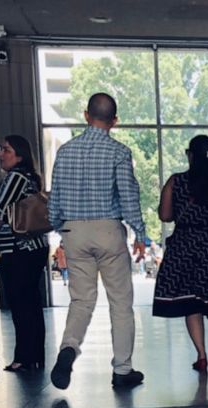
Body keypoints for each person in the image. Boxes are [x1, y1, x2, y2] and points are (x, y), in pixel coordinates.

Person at [46, 92, 147, 391]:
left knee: (81, 301)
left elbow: (56, 200)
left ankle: (69, 348)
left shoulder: (65, 152)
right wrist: (139, 233)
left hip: (74, 231)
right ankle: (122, 369)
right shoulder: (119, 152)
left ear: (86, 115)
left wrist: (59, 229)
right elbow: (129, 197)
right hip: (108, 230)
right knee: (120, 303)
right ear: (114, 121)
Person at [152, 134, 208, 372]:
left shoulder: (176, 182)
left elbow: (165, 215)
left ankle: (201, 354)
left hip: (185, 246)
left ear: (190, 155)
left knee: (192, 302)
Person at [0, 134, 49, 373]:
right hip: (32, 249)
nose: (0, 153)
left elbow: (0, 214)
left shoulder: (14, 178)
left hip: (18, 250)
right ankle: (33, 356)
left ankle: (23, 357)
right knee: (31, 303)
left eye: (6, 150)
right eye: (1, 149)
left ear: (20, 155)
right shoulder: (30, 179)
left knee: (21, 304)